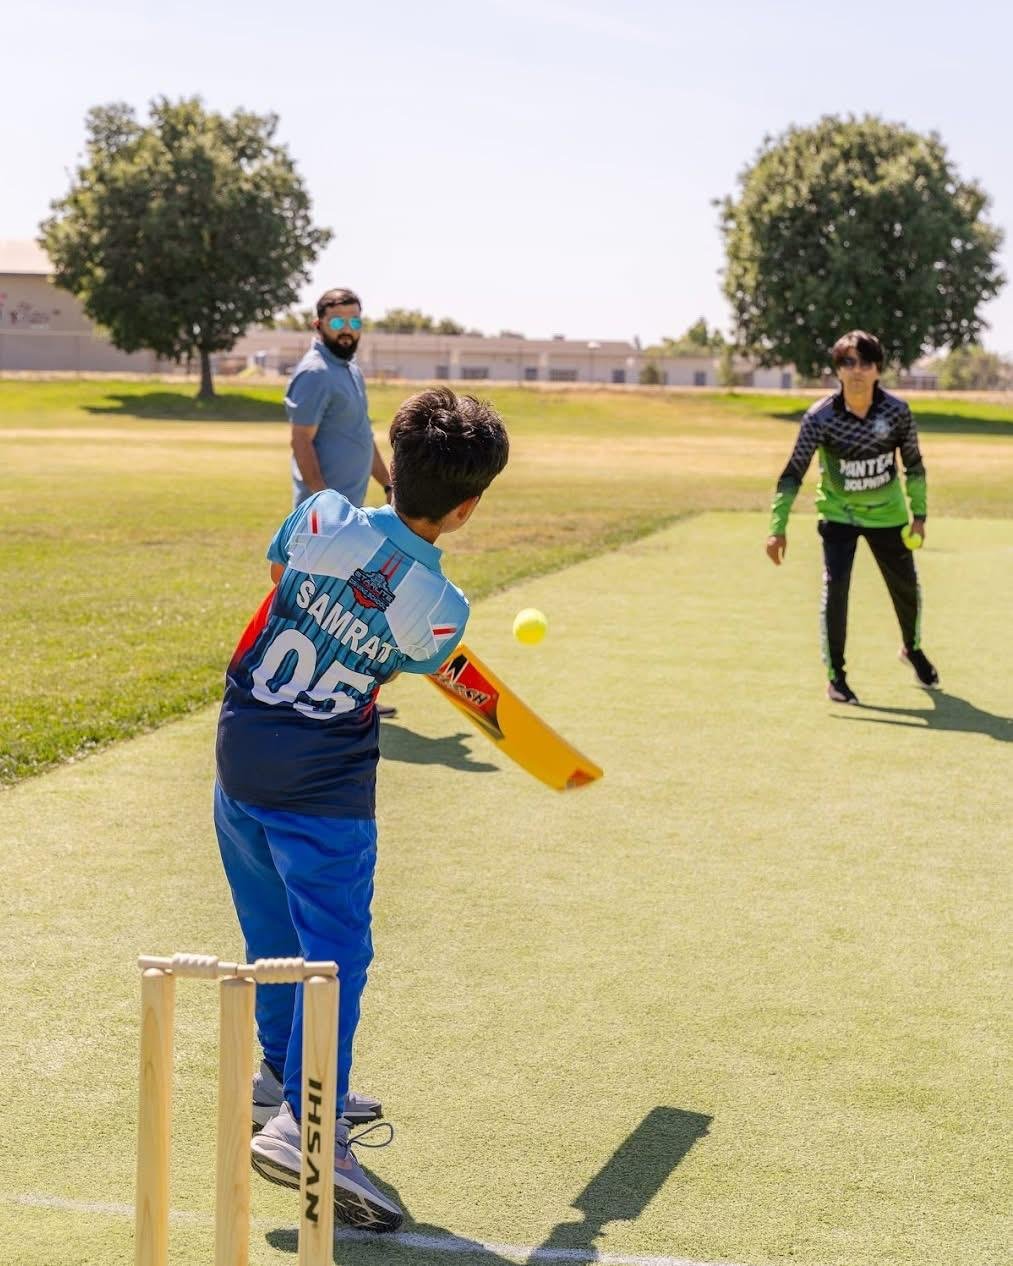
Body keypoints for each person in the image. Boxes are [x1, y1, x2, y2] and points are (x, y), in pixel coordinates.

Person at [213, 387, 509, 1231]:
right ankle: (308, 1126)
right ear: (466, 508)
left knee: (273, 933)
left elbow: (281, 578)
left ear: (393, 459)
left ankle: (285, 1078)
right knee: (335, 953)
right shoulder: (443, 611)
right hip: (325, 790)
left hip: (242, 754)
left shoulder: (322, 515)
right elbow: (408, 656)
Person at [766, 329, 940, 705]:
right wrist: (777, 527)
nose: (857, 370)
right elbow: (793, 472)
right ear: (838, 369)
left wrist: (919, 515)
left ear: (878, 369)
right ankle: (837, 678)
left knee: (906, 590)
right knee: (836, 591)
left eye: (865, 362)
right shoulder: (820, 417)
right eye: (848, 362)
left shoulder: (897, 412)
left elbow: (914, 465)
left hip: (888, 515)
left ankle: (912, 649)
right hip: (838, 515)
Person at [286, 286, 398, 717]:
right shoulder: (315, 372)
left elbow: (361, 437)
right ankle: (300, 698)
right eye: (338, 322)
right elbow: (301, 441)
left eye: (354, 321)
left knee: (345, 611)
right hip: (324, 520)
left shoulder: (349, 370)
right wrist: (322, 503)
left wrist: (388, 485)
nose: (347, 330)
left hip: (350, 516)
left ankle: (344, 697)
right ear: (319, 325)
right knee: (318, 611)